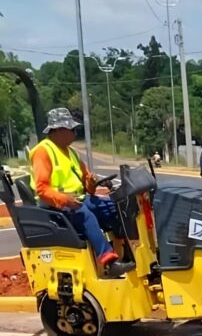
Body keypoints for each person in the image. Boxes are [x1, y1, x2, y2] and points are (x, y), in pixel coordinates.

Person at [29, 108, 133, 278]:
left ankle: (126, 251)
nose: (75, 133)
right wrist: (65, 199)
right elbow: (42, 188)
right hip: (55, 207)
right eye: (72, 130)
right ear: (58, 130)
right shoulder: (43, 151)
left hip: (78, 200)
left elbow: (87, 186)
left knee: (116, 207)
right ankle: (109, 261)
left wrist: (91, 182)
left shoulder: (72, 153)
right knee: (85, 214)